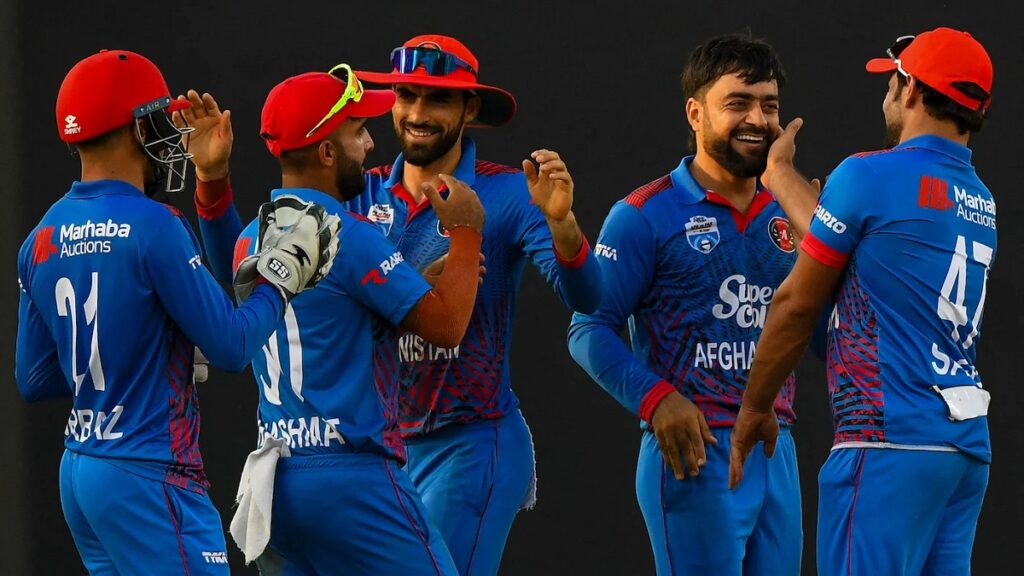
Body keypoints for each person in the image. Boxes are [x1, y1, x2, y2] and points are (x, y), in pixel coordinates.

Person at [14, 49, 337, 575]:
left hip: (81, 471)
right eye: (158, 119)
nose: (167, 133)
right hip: (150, 473)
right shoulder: (156, 224)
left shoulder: (41, 236)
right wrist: (280, 282)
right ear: (137, 127)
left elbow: (35, 379)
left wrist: (150, 348)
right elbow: (232, 346)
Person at [188, 63, 488, 575]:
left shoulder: (251, 236)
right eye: (358, 131)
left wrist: (212, 180)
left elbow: (246, 276)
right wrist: (465, 231)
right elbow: (446, 327)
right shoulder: (350, 232)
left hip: (277, 484)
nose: (369, 144)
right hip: (355, 482)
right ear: (327, 152)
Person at [730, 27, 996, 576]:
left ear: (912, 89)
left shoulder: (869, 173)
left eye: (892, 81)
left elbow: (795, 306)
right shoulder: (980, 198)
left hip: (885, 444)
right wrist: (782, 180)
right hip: (963, 450)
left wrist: (754, 407)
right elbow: (857, 273)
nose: (887, 94)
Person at [337, 34, 602, 575]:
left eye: (437, 99)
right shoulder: (358, 194)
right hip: (382, 450)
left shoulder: (509, 193)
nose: (417, 114)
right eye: (406, 95)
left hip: (472, 442)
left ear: (470, 109)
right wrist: (213, 184)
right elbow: (251, 278)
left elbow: (588, 297)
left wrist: (563, 224)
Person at [568, 33, 819, 575]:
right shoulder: (645, 214)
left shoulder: (790, 213)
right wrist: (656, 399)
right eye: (738, 103)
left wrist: (818, 250)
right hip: (695, 450)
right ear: (696, 113)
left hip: (775, 448)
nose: (758, 120)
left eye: (769, 105)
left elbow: (821, 334)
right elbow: (587, 330)